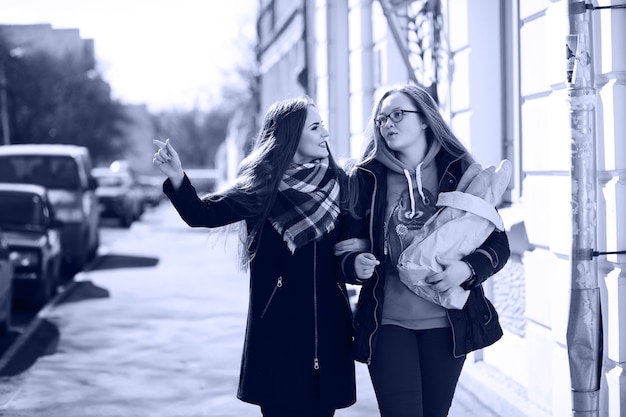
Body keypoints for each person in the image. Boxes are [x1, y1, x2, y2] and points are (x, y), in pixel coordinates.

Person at [152, 96, 356, 417]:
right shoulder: (262, 190)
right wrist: (178, 176)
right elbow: (202, 214)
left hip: (328, 335)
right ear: (292, 135)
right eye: (316, 127)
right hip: (277, 337)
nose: (325, 134)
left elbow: (353, 249)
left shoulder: (341, 185)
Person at [336, 83, 510, 417]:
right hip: (387, 323)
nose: (388, 124)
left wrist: (469, 270)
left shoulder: (457, 170)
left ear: (426, 120)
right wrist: (354, 263)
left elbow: (497, 242)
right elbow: (343, 251)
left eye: (398, 115)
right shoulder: (366, 178)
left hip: (448, 324)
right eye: (381, 119)